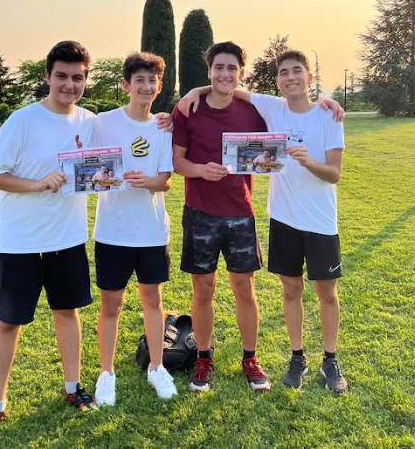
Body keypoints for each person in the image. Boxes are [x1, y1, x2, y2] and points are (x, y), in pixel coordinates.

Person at [181, 50, 347, 393]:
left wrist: (308, 160)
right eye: (284, 73)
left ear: (309, 77)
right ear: (277, 81)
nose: (291, 78)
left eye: (297, 71)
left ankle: (327, 360)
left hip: (313, 220)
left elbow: (334, 174)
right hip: (280, 218)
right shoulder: (271, 107)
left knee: (324, 293)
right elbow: (226, 86)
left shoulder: (326, 115)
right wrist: (194, 90)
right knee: (289, 290)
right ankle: (294, 357)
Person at [0, 40, 99, 443]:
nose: (69, 85)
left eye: (77, 77)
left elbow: (127, 133)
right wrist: (37, 183)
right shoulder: (22, 120)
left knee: (67, 312)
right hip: (20, 242)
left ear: (86, 80)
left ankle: (73, 388)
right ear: (48, 77)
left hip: (68, 238)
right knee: (8, 322)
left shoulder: (90, 121)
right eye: (61, 76)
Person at [172, 41, 271, 393]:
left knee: (244, 288)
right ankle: (203, 356)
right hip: (200, 213)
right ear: (209, 71)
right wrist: (200, 170)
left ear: (240, 73)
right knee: (203, 290)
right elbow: (177, 161)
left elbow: (274, 145)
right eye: (219, 68)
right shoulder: (188, 109)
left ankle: (250, 358)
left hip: (240, 212)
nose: (225, 74)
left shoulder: (253, 111)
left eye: (232, 68)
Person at [91, 52, 177, 406]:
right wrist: (102, 177)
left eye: (151, 80)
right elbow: (89, 169)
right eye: (139, 80)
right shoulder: (104, 122)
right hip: (113, 231)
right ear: (126, 85)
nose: (145, 86)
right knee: (111, 304)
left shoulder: (162, 127)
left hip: (151, 230)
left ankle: (157, 367)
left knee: (152, 301)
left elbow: (166, 180)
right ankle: (106, 373)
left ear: (159, 86)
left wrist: (148, 182)